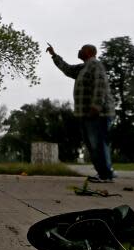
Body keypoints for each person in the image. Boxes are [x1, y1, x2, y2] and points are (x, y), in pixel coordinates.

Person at [46, 43, 116, 182]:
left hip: (99, 114)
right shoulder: (84, 67)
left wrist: (96, 106)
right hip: (86, 114)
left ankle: (106, 175)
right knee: (92, 145)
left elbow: (100, 85)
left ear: (89, 52)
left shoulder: (95, 64)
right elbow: (67, 69)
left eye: (81, 49)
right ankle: (102, 173)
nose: (79, 50)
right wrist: (54, 55)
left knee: (98, 144)